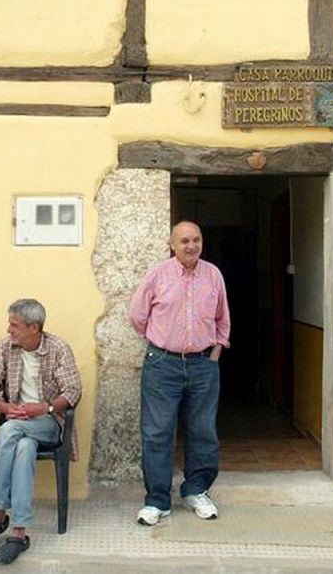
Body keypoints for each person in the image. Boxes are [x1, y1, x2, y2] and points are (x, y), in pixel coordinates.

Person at [128, 220, 231, 526]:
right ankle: (157, 500)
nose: (191, 246)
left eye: (196, 240)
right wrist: (162, 342)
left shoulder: (213, 274)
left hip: (203, 365)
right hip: (162, 364)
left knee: (203, 431)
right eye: (184, 240)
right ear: (172, 244)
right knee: (157, 433)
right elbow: (137, 315)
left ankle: (197, 490)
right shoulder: (158, 274)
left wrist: (215, 353)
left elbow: (222, 318)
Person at [0, 299, 82, 565]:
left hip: (48, 422)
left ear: (34, 328)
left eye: (14, 325)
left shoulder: (58, 348)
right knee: (23, 446)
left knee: (10, 430)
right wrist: (4, 405)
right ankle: (18, 532)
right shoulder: (6, 347)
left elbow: (73, 391)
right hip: (18, 423)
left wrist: (44, 407)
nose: (9, 330)